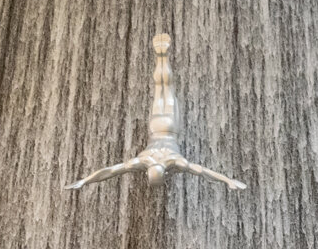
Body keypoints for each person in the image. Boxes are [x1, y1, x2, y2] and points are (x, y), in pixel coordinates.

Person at [65, 34, 246, 191]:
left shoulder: (171, 161)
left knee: (166, 89)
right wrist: (84, 181)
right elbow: (110, 171)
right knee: (161, 88)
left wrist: (84, 181)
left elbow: (111, 171)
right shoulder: (144, 161)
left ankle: (163, 57)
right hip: (156, 126)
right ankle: (162, 57)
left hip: (169, 128)